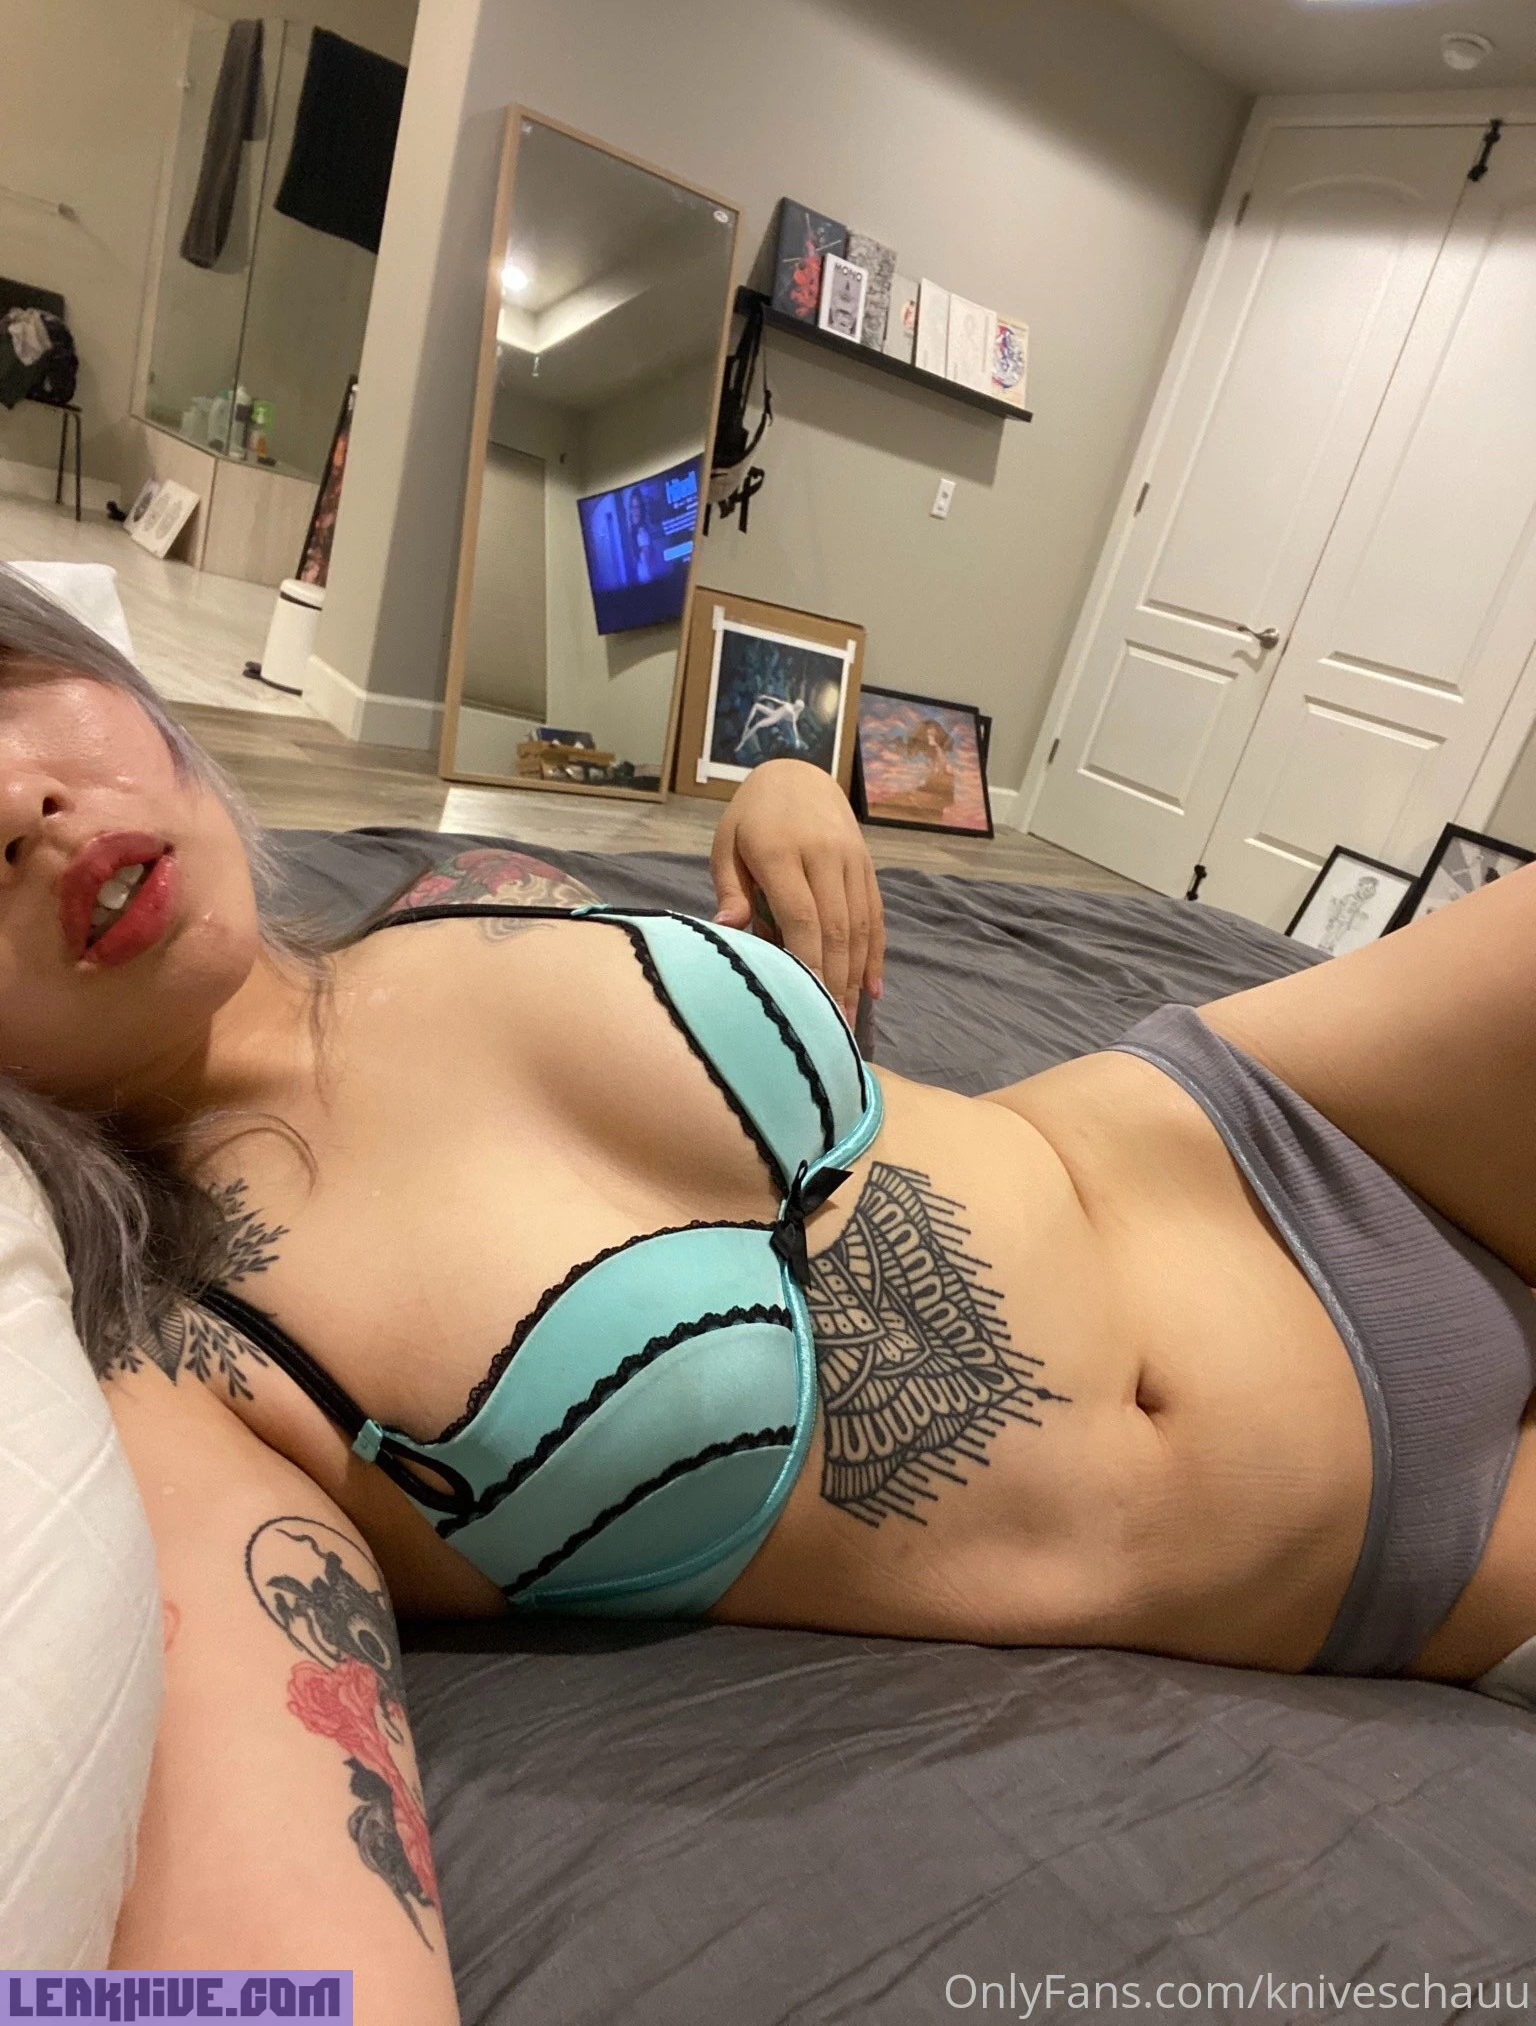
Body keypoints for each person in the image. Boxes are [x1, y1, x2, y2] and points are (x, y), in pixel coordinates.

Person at [2, 565, 1534, 2016]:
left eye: (12, 696)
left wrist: (788, 792)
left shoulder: (469, 890)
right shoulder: (181, 1369)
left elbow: (768, 986)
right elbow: (274, 1968)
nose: (20, 804)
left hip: (1265, 1111)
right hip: (1384, 1526)